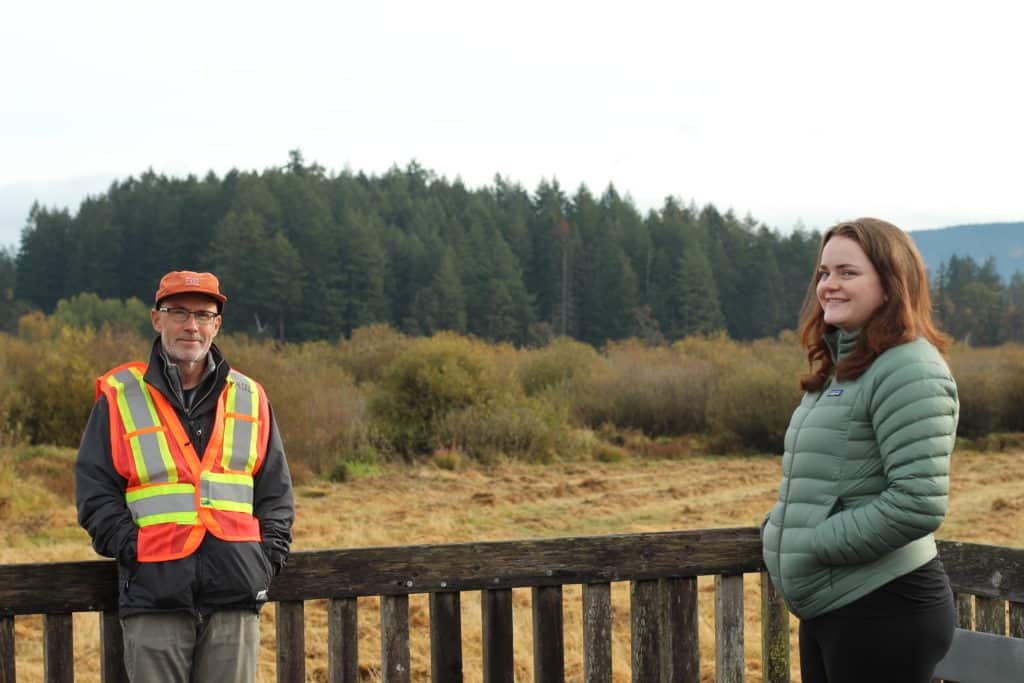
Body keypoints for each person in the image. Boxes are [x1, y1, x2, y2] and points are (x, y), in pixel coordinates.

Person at [761, 218, 959, 683]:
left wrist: (812, 542)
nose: (828, 285)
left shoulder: (909, 368)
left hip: (884, 608)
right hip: (836, 605)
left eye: (847, 273)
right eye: (823, 273)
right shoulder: (843, 367)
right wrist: (778, 531)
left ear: (891, 285)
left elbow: (917, 501)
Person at [76, 270, 294, 683]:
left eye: (202, 314)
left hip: (235, 596)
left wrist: (265, 561)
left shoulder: (251, 396)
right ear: (156, 319)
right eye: (177, 312)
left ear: (217, 324)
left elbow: (275, 493)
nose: (190, 325)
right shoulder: (120, 395)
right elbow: (95, 491)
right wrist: (132, 548)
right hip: (154, 597)